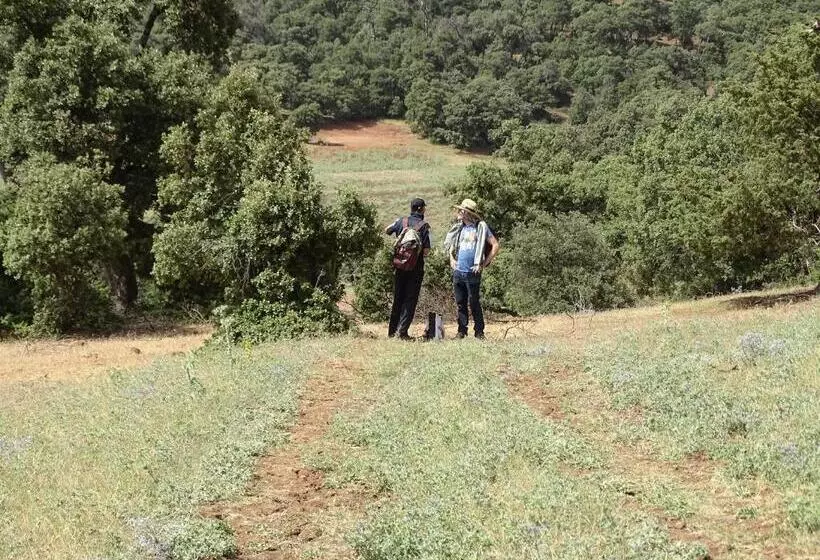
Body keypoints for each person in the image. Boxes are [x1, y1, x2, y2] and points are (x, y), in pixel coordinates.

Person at [446, 198, 499, 339]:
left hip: (472, 272)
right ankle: (461, 331)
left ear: (467, 213)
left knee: (474, 302)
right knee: (460, 303)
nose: (459, 212)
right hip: (459, 271)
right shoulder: (459, 228)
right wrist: (452, 259)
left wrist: (484, 264)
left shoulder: (480, 227)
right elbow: (451, 246)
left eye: (461, 210)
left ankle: (479, 332)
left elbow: (495, 245)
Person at [385, 197, 431, 340]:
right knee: (410, 300)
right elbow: (426, 251)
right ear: (421, 209)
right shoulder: (423, 226)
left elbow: (387, 230)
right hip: (415, 269)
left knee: (398, 298)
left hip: (399, 266)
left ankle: (392, 332)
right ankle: (402, 332)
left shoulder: (402, 221)